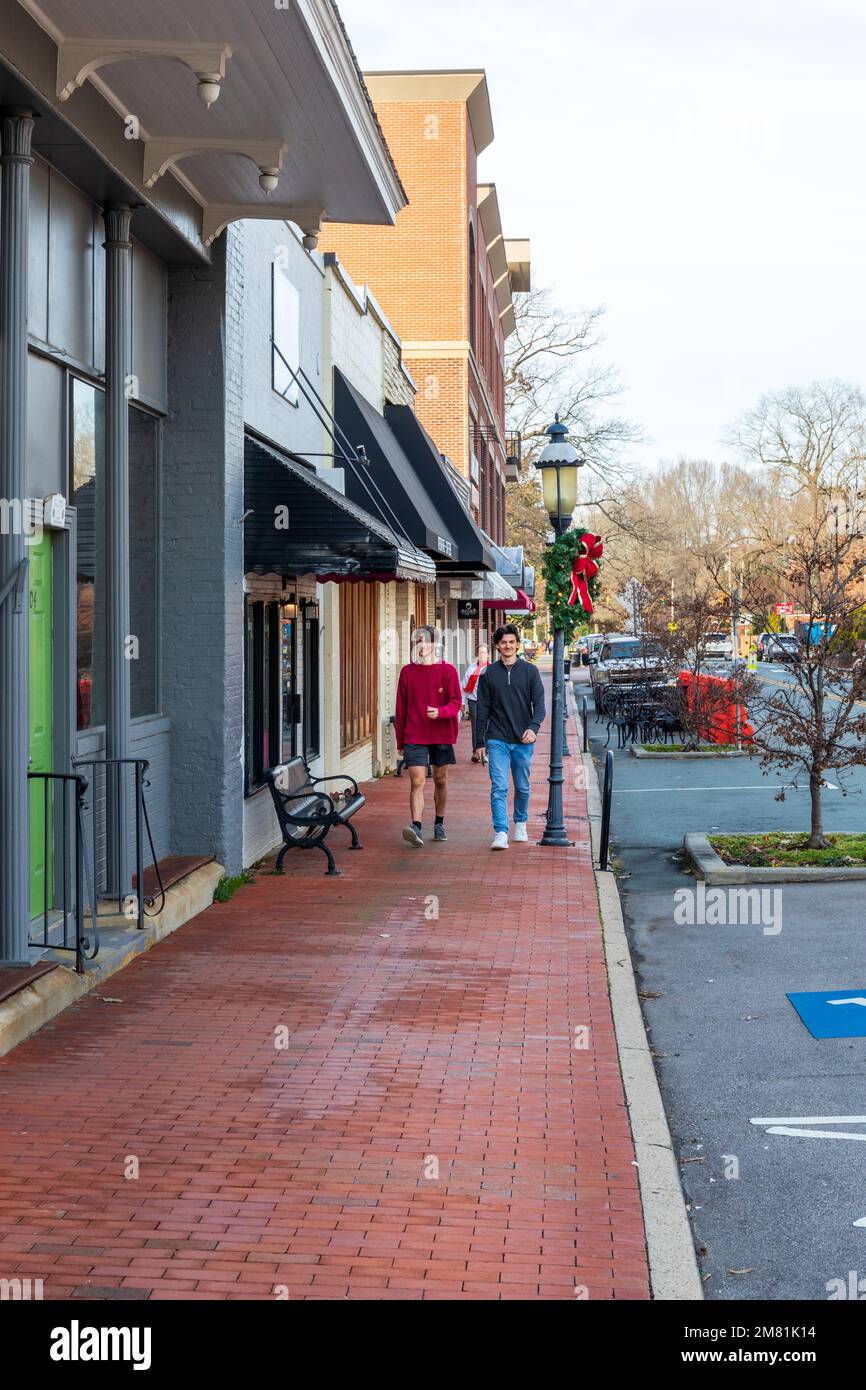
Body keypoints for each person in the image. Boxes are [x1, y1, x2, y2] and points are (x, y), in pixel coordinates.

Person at [475, 623, 546, 850]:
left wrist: (533, 728)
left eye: (512, 642)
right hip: (497, 740)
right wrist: (479, 742)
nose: (508, 646)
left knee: (523, 787)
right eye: (504, 642)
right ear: (497, 645)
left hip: (523, 740)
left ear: (517, 644)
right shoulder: (488, 675)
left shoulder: (530, 672)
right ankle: (501, 832)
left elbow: (541, 707)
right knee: (499, 786)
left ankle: (521, 823)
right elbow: (481, 710)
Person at [394, 625, 463, 846]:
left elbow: (456, 703)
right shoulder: (407, 672)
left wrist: (440, 712)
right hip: (415, 734)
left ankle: (439, 822)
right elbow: (400, 709)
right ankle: (416, 826)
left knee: (440, 780)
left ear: (436, 644)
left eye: (426, 641)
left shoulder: (448, 671)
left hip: (441, 734)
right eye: (418, 642)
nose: (421, 646)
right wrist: (400, 741)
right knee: (417, 780)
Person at [462, 643, 490, 762]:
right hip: (473, 701)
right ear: (477, 655)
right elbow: (464, 687)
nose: (482, 655)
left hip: (488, 703)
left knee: (487, 727)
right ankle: (475, 751)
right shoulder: (471, 669)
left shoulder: (492, 669)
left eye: (484, 653)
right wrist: (462, 703)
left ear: (488, 655)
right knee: (475, 727)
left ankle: (485, 753)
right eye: (480, 653)